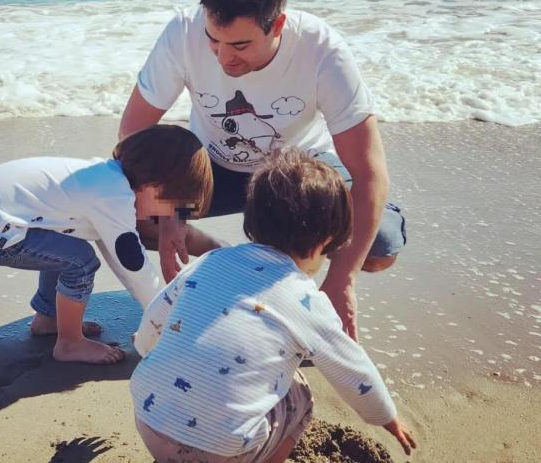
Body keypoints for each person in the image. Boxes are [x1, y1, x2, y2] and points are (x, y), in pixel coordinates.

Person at [118, 0, 406, 339]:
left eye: (240, 45)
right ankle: (222, 255)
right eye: (213, 40)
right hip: (212, 168)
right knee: (126, 216)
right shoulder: (182, 32)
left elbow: (370, 173)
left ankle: (294, 275)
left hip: (297, 172)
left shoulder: (323, 50)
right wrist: (170, 215)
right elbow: (133, 133)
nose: (223, 58)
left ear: (277, 24)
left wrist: (342, 282)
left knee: (379, 247)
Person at [129, 149, 417, 463]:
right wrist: (386, 416)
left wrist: (147, 349)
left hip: (148, 419)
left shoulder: (212, 260)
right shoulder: (306, 299)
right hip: (220, 450)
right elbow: (352, 369)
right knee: (299, 394)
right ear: (325, 241)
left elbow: (156, 317)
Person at [0, 124, 213, 365]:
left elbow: (117, 255)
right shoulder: (114, 197)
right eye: (171, 208)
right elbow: (133, 265)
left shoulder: (104, 178)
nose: (162, 218)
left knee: (66, 250)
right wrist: (163, 317)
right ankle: (69, 343)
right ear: (154, 186)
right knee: (81, 262)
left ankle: (49, 319)